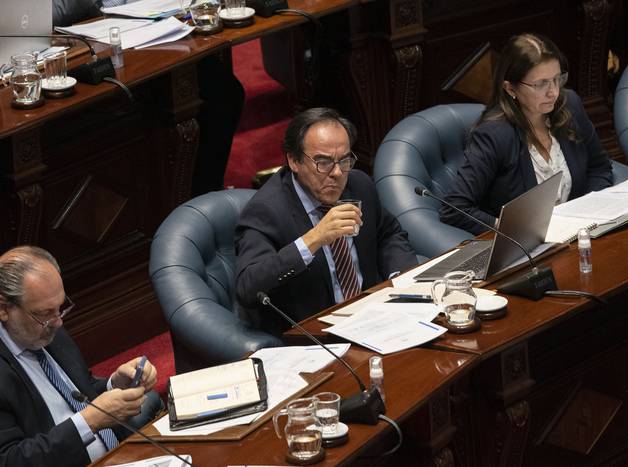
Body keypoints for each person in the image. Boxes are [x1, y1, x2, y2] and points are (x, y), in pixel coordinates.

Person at [235, 108, 417, 336]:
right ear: (294, 160)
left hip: (376, 315)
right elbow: (248, 286)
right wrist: (313, 238)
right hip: (317, 334)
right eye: (323, 162)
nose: (337, 173)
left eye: (344, 160)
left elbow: (389, 233)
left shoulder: (359, 184)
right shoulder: (267, 209)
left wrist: (401, 280)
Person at [52, 0, 245, 197]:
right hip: (88, 59)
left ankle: (203, 199)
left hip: (157, 36)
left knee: (222, 92)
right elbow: (48, 15)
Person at [0, 246, 160, 467]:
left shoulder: (48, 330)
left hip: (123, 457)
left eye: (60, 308)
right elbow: (10, 461)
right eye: (45, 313)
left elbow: (79, 392)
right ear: (3, 308)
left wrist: (115, 383)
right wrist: (89, 421)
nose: (58, 322)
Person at [440, 33, 613, 234]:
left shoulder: (570, 105)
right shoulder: (494, 135)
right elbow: (455, 208)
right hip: (529, 248)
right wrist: (508, 229)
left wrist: (585, 211)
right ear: (511, 88)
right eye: (541, 84)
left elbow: (600, 167)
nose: (553, 92)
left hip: (581, 232)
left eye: (557, 79)